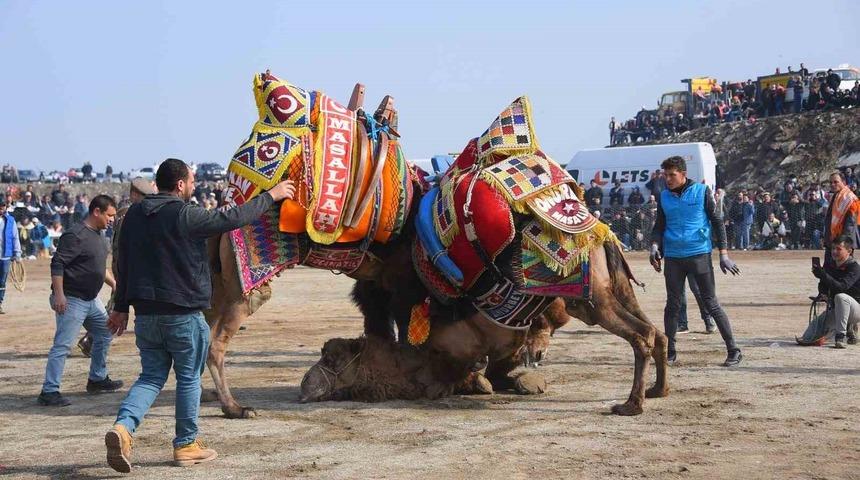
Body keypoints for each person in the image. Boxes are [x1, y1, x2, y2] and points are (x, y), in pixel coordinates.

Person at [104, 159, 297, 472]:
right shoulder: (185, 214)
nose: (193, 186)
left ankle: (123, 428)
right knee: (189, 378)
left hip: (147, 315)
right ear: (180, 184)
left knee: (151, 377)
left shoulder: (135, 216)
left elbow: (124, 262)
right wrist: (271, 195)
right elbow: (232, 217)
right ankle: (186, 444)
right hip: (182, 313)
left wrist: (121, 307)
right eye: (191, 181)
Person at [649, 156, 742, 367]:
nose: (668, 179)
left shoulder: (701, 191)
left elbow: (717, 222)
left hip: (699, 254)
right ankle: (669, 352)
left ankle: (733, 350)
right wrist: (655, 246)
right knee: (672, 305)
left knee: (711, 303)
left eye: (672, 175)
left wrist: (724, 254)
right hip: (673, 257)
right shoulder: (664, 196)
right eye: (665, 175)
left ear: (684, 174)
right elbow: (659, 226)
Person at [37, 195, 120, 407]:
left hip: (91, 300)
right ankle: (49, 391)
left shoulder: (100, 236)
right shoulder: (75, 235)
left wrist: (113, 284)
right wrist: (59, 294)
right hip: (72, 299)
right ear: (96, 212)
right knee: (63, 345)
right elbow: (57, 264)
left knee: (104, 332)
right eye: (109, 215)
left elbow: (99, 268)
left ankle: (97, 379)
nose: (112, 219)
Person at [77, 177, 157, 358]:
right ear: (135, 194)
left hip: (124, 267)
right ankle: (92, 339)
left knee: (115, 305)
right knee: (117, 308)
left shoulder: (124, 213)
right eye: (144, 196)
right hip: (127, 268)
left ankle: (91, 339)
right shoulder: (128, 215)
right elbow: (123, 247)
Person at [800, 235, 860, 348]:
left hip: (856, 310)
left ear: (849, 251)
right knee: (808, 337)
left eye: (838, 249)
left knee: (841, 297)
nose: (834, 251)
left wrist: (824, 275)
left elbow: (842, 287)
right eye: (832, 248)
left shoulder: (854, 268)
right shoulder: (830, 265)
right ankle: (843, 328)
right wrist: (823, 293)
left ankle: (840, 337)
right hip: (836, 309)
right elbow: (822, 286)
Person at [823, 172, 860, 270]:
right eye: (831, 182)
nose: (832, 184)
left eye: (836, 182)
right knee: (827, 272)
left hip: (842, 243)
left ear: (843, 182)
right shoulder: (835, 196)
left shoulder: (850, 199)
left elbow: (850, 224)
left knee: (842, 274)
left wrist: (842, 243)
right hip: (832, 241)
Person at [0, 201, 22, 314]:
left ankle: (0, 303)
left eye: (2, 206)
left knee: (2, 281)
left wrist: (17, 253)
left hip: (5, 256)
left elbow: (15, 237)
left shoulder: (10, 220)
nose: (1, 208)